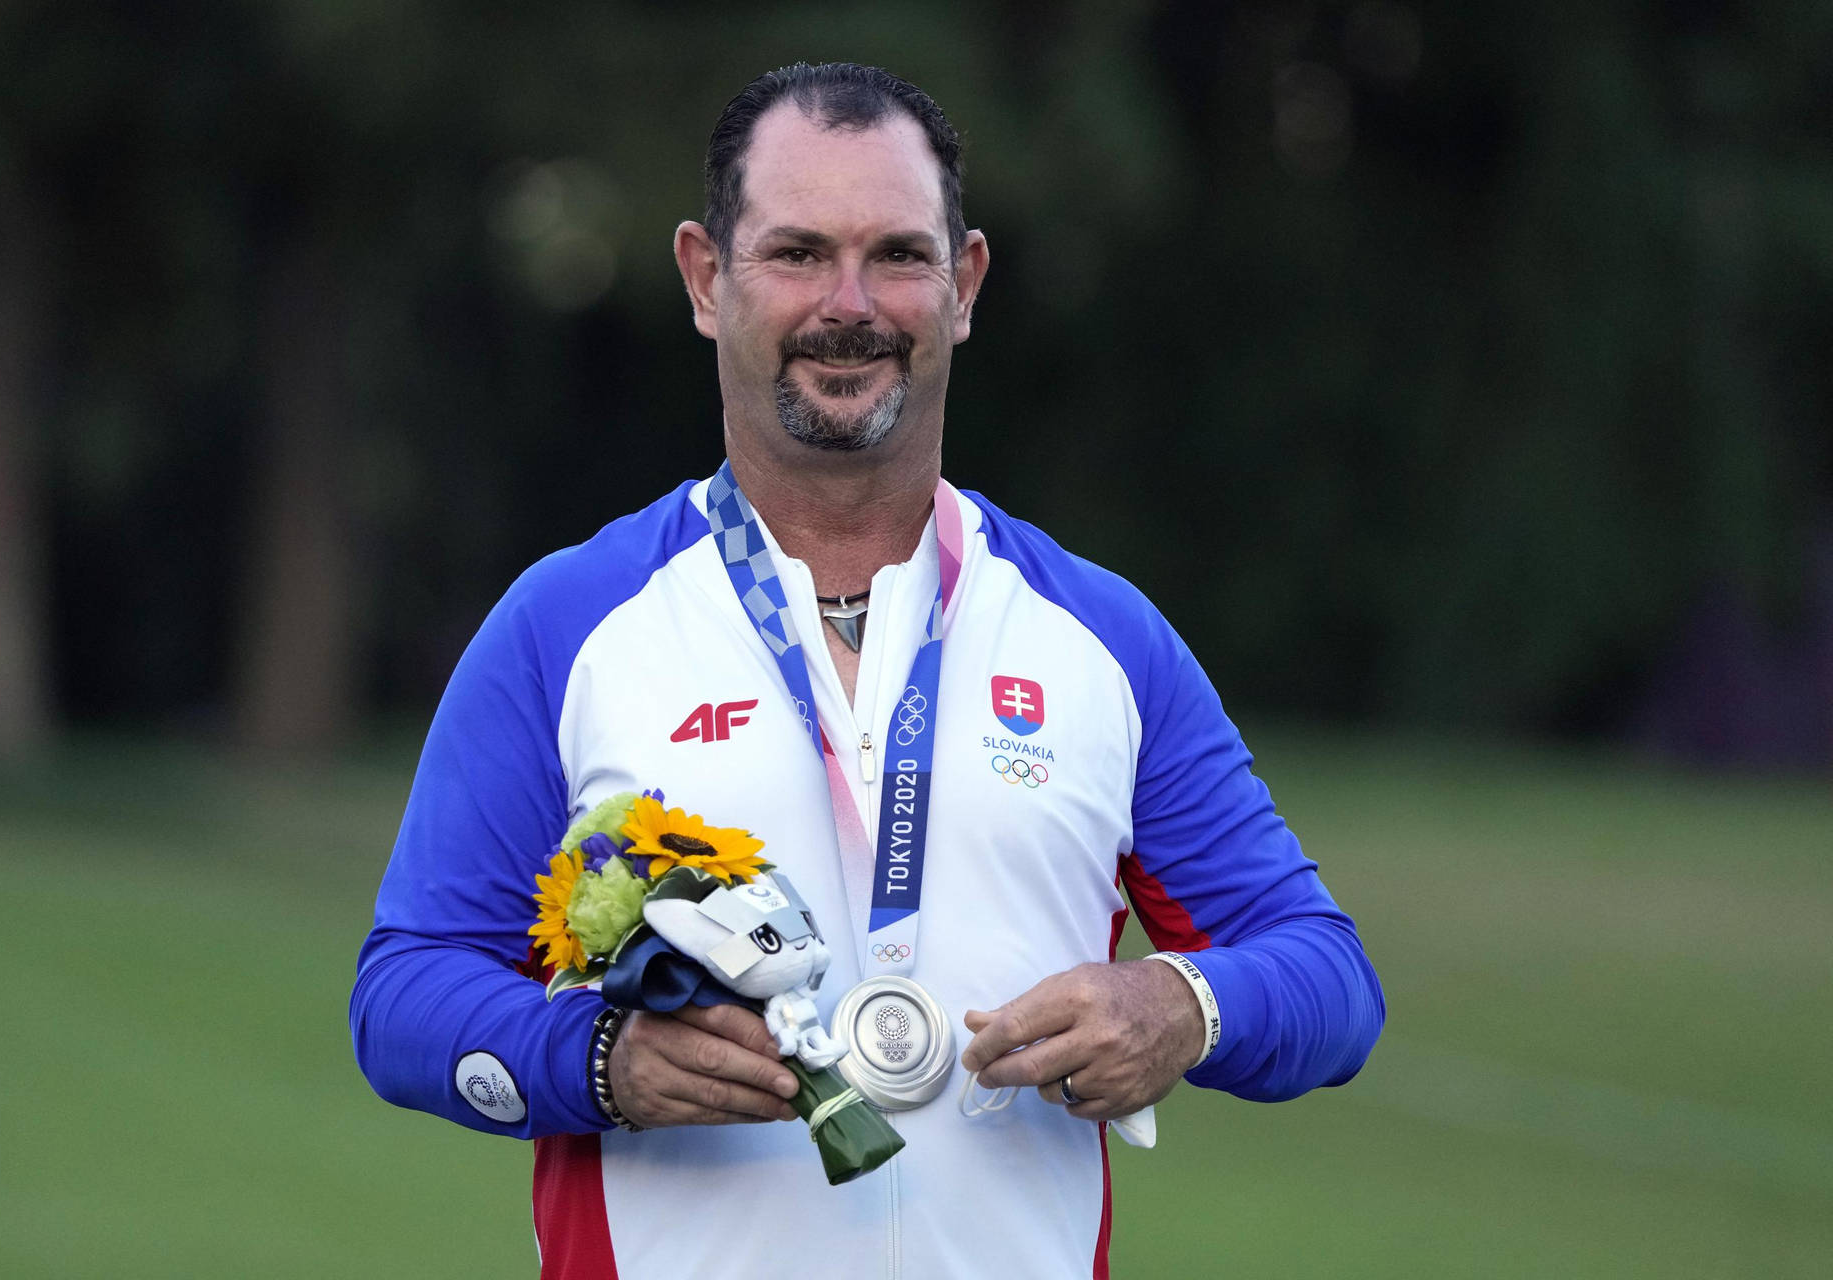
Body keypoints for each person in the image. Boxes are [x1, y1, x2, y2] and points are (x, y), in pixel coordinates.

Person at [351, 61, 1384, 1279]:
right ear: (704, 276)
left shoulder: (1099, 637)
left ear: (965, 287)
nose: (850, 304)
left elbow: (1327, 977)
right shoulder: (567, 625)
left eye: (898, 253)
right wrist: (597, 1064)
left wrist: (1183, 1006)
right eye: (795, 253)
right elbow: (406, 995)